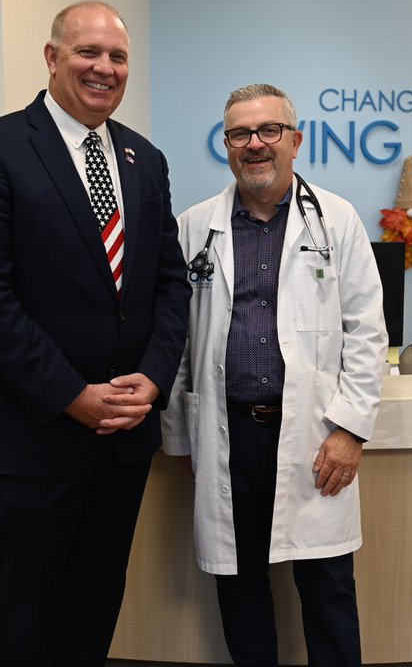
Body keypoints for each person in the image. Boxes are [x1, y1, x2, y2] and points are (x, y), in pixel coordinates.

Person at [0, 0, 190, 667]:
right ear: (52, 57)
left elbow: (171, 283)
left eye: (117, 57)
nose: (104, 68)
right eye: (88, 52)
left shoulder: (145, 159)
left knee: (94, 605)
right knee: (25, 618)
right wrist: (70, 393)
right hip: (35, 433)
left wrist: (156, 375)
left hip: (123, 441)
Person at [162, 83, 388, 666]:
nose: (255, 144)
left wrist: (350, 430)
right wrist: (184, 438)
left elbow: (367, 331)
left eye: (269, 131)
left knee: (327, 587)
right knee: (239, 587)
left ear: (295, 141)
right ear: (227, 145)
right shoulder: (194, 227)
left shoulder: (337, 221)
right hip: (228, 434)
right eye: (240, 133)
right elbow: (179, 339)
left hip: (316, 436)